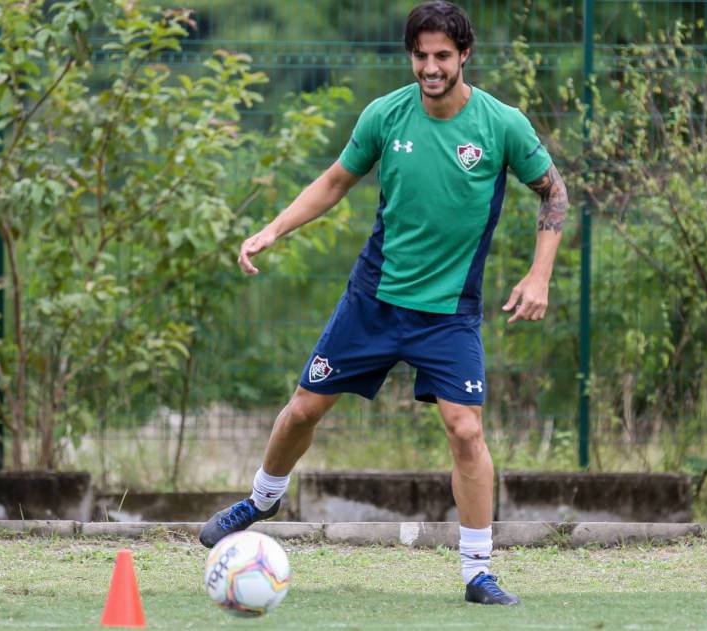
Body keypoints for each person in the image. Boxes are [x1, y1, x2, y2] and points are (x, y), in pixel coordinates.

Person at [198, 0, 567, 606]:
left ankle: (478, 572)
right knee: (300, 412)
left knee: (466, 432)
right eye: (420, 55)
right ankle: (262, 498)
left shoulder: (502, 125)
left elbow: (554, 194)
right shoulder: (385, 115)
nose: (430, 67)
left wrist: (539, 276)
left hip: (449, 312)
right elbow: (335, 182)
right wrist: (273, 228)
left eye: (442, 56)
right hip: (373, 300)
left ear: (464, 56)